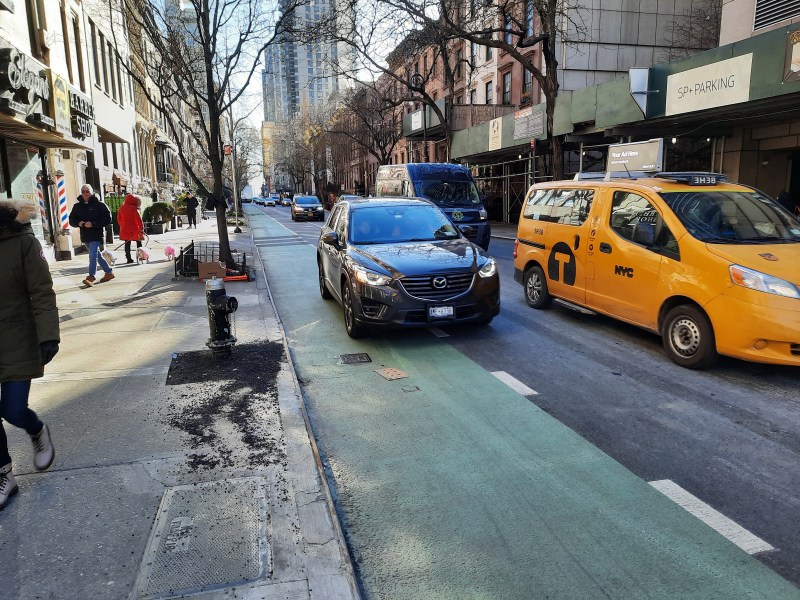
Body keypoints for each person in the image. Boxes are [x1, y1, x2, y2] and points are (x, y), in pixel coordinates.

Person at [0, 199, 59, 510]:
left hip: (17, 338)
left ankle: (36, 430)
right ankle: (4, 475)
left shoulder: (23, 242)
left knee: (12, 409)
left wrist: (48, 335)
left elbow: (42, 291)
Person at [69, 184, 114, 286]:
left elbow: (107, 219)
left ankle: (91, 277)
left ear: (92, 192)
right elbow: (71, 220)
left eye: (87, 191)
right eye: (83, 191)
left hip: (96, 234)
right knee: (97, 255)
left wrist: (93, 224)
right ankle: (109, 272)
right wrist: (79, 223)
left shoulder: (99, 205)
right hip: (85, 236)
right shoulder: (77, 206)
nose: (85, 193)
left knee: (92, 256)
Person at [118, 194, 144, 264]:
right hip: (135, 228)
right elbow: (138, 219)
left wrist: (121, 225)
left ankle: (128, 258)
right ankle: (140, 256)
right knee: (139, 242)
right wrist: (141, 228)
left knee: (127, 243)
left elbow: (119, 218)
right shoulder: (134, 208)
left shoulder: (121, 207)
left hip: (125, 228)